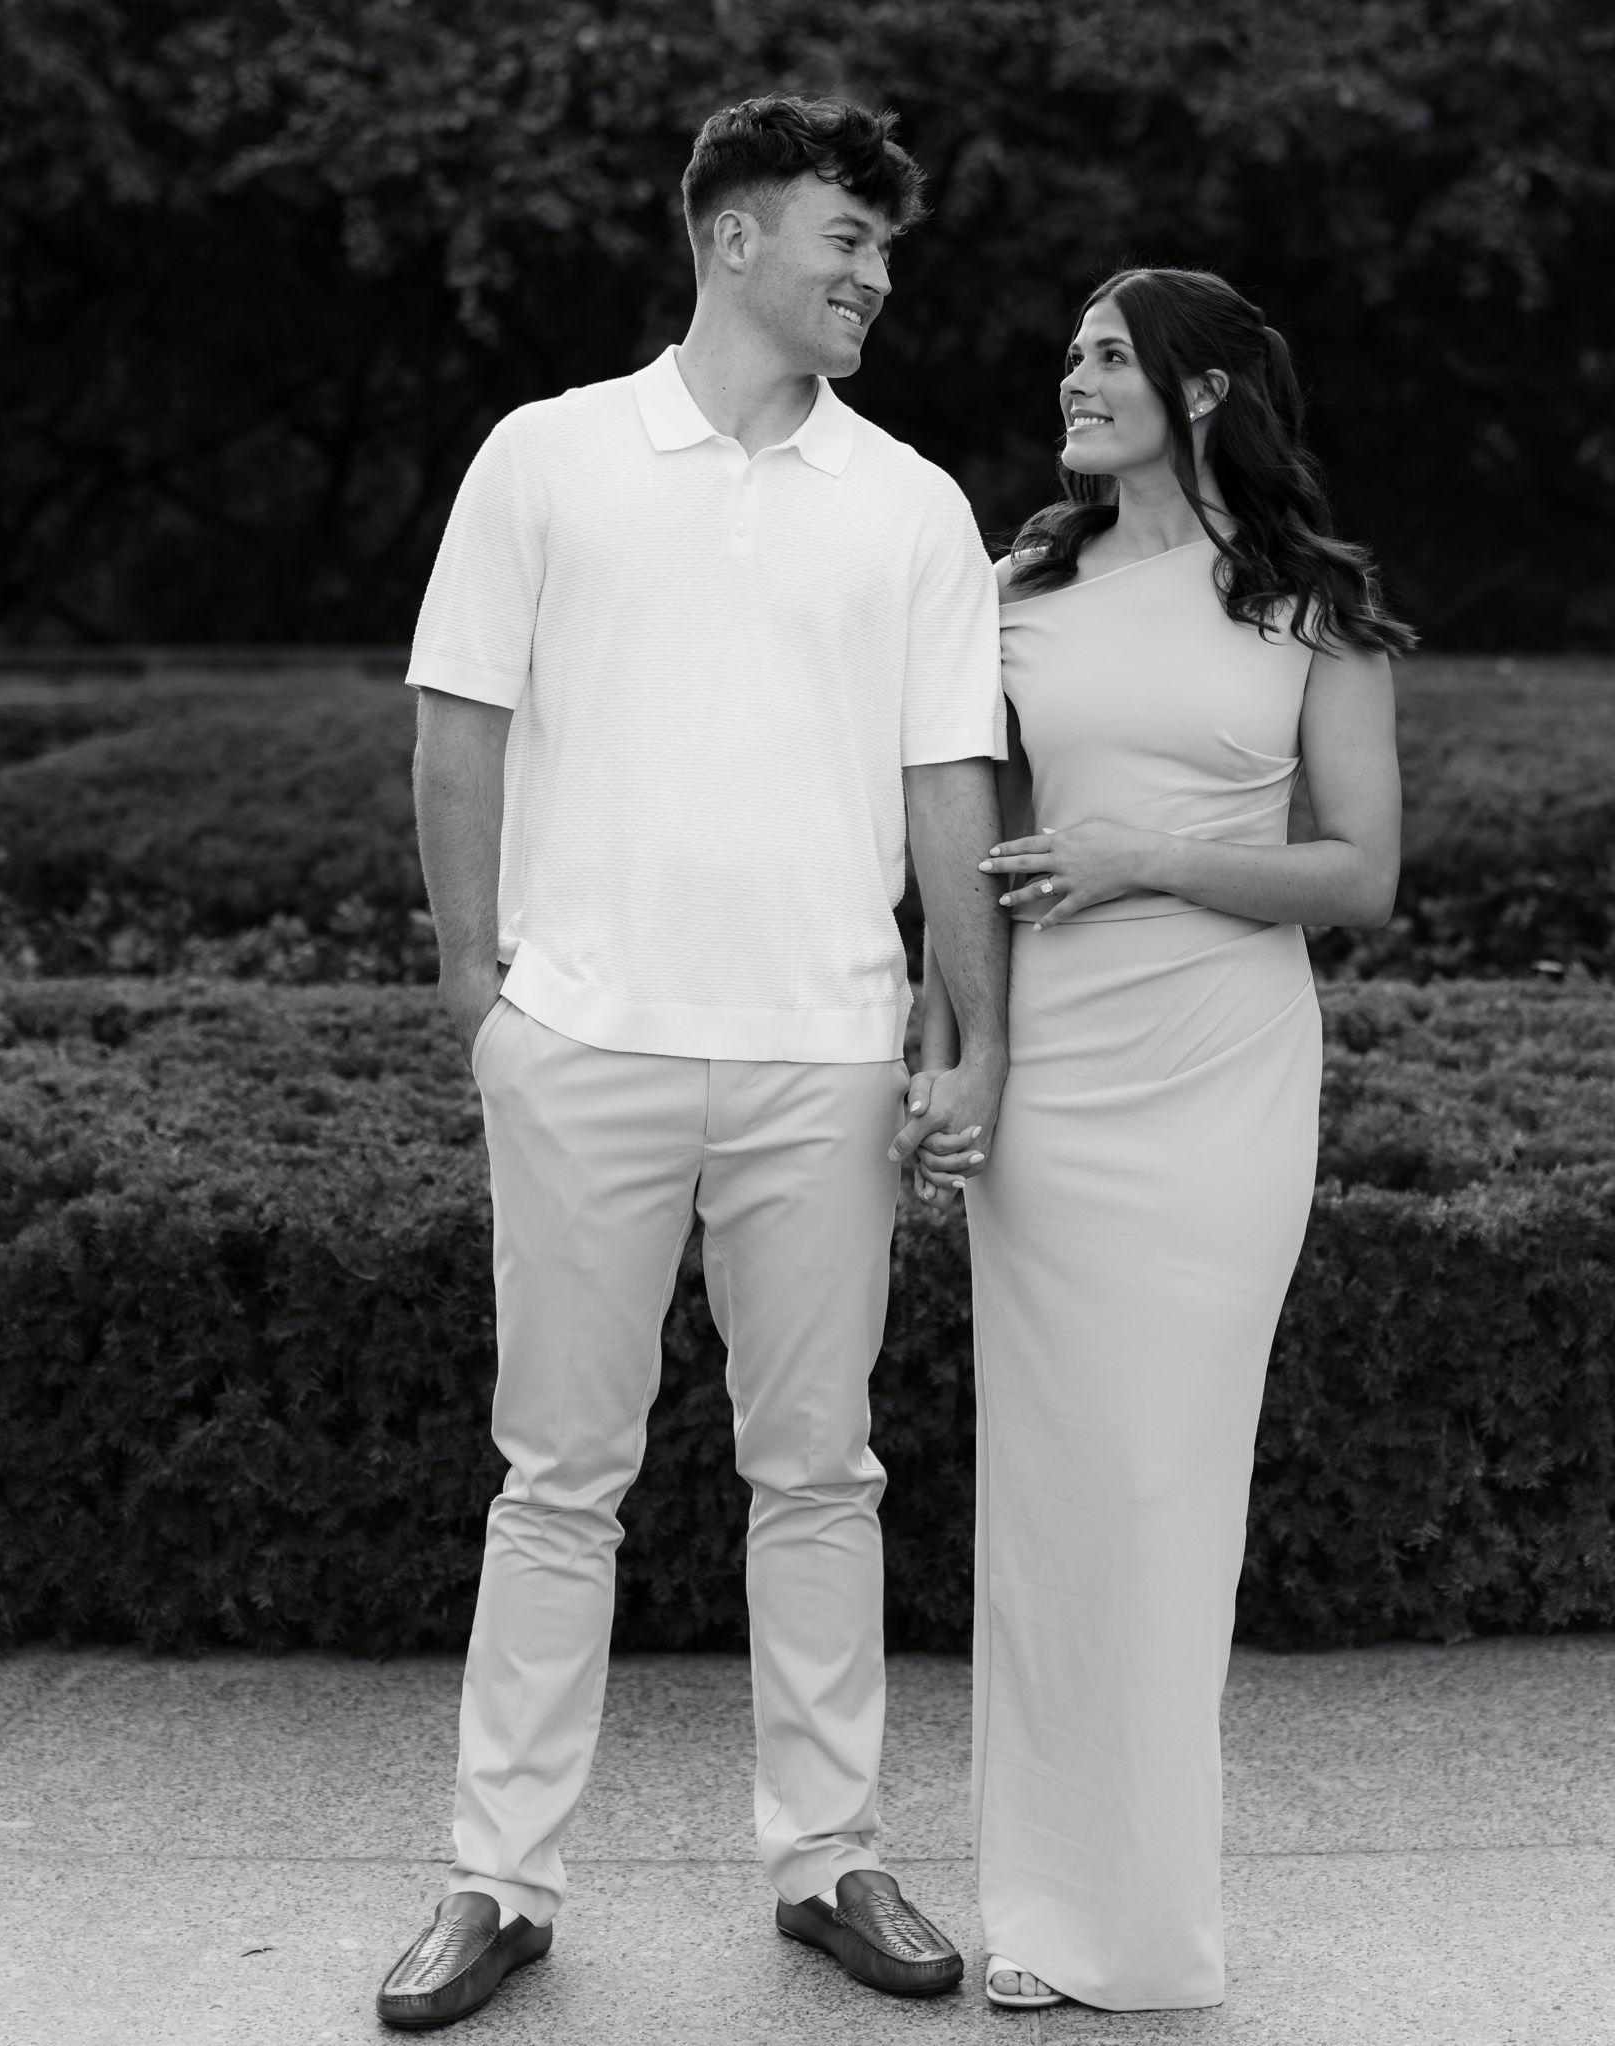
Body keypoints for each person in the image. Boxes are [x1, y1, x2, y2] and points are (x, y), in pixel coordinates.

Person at [374, 96, 1011, 2030]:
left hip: (824, 1054)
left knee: (819, 1472)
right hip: (583, 1043)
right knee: (556, 1478)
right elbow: (458, 722)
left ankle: (830, 1857)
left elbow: (950, 782)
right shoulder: (547, 454)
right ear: (734, 237)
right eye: (846, 240)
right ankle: (497, 1882)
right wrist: (482, 998)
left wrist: (968, 1027)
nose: (875, 278)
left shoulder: (913, 503)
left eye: (886, 250)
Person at [900, 267, 1410, 2011]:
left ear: (1200, 391)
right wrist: (948, 1051)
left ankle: (1147, 1917)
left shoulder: (1312, 605)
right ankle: (1043, 1909)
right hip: (1058, 1080)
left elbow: (1359, 872)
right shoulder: (1012, 594)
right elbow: (961, 853)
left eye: (1112, 354)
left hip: (1222, 1074)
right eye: (1072, 353)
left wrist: (1145, 858)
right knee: (1055, 1490)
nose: (1076, 375)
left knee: (1167, 1482)